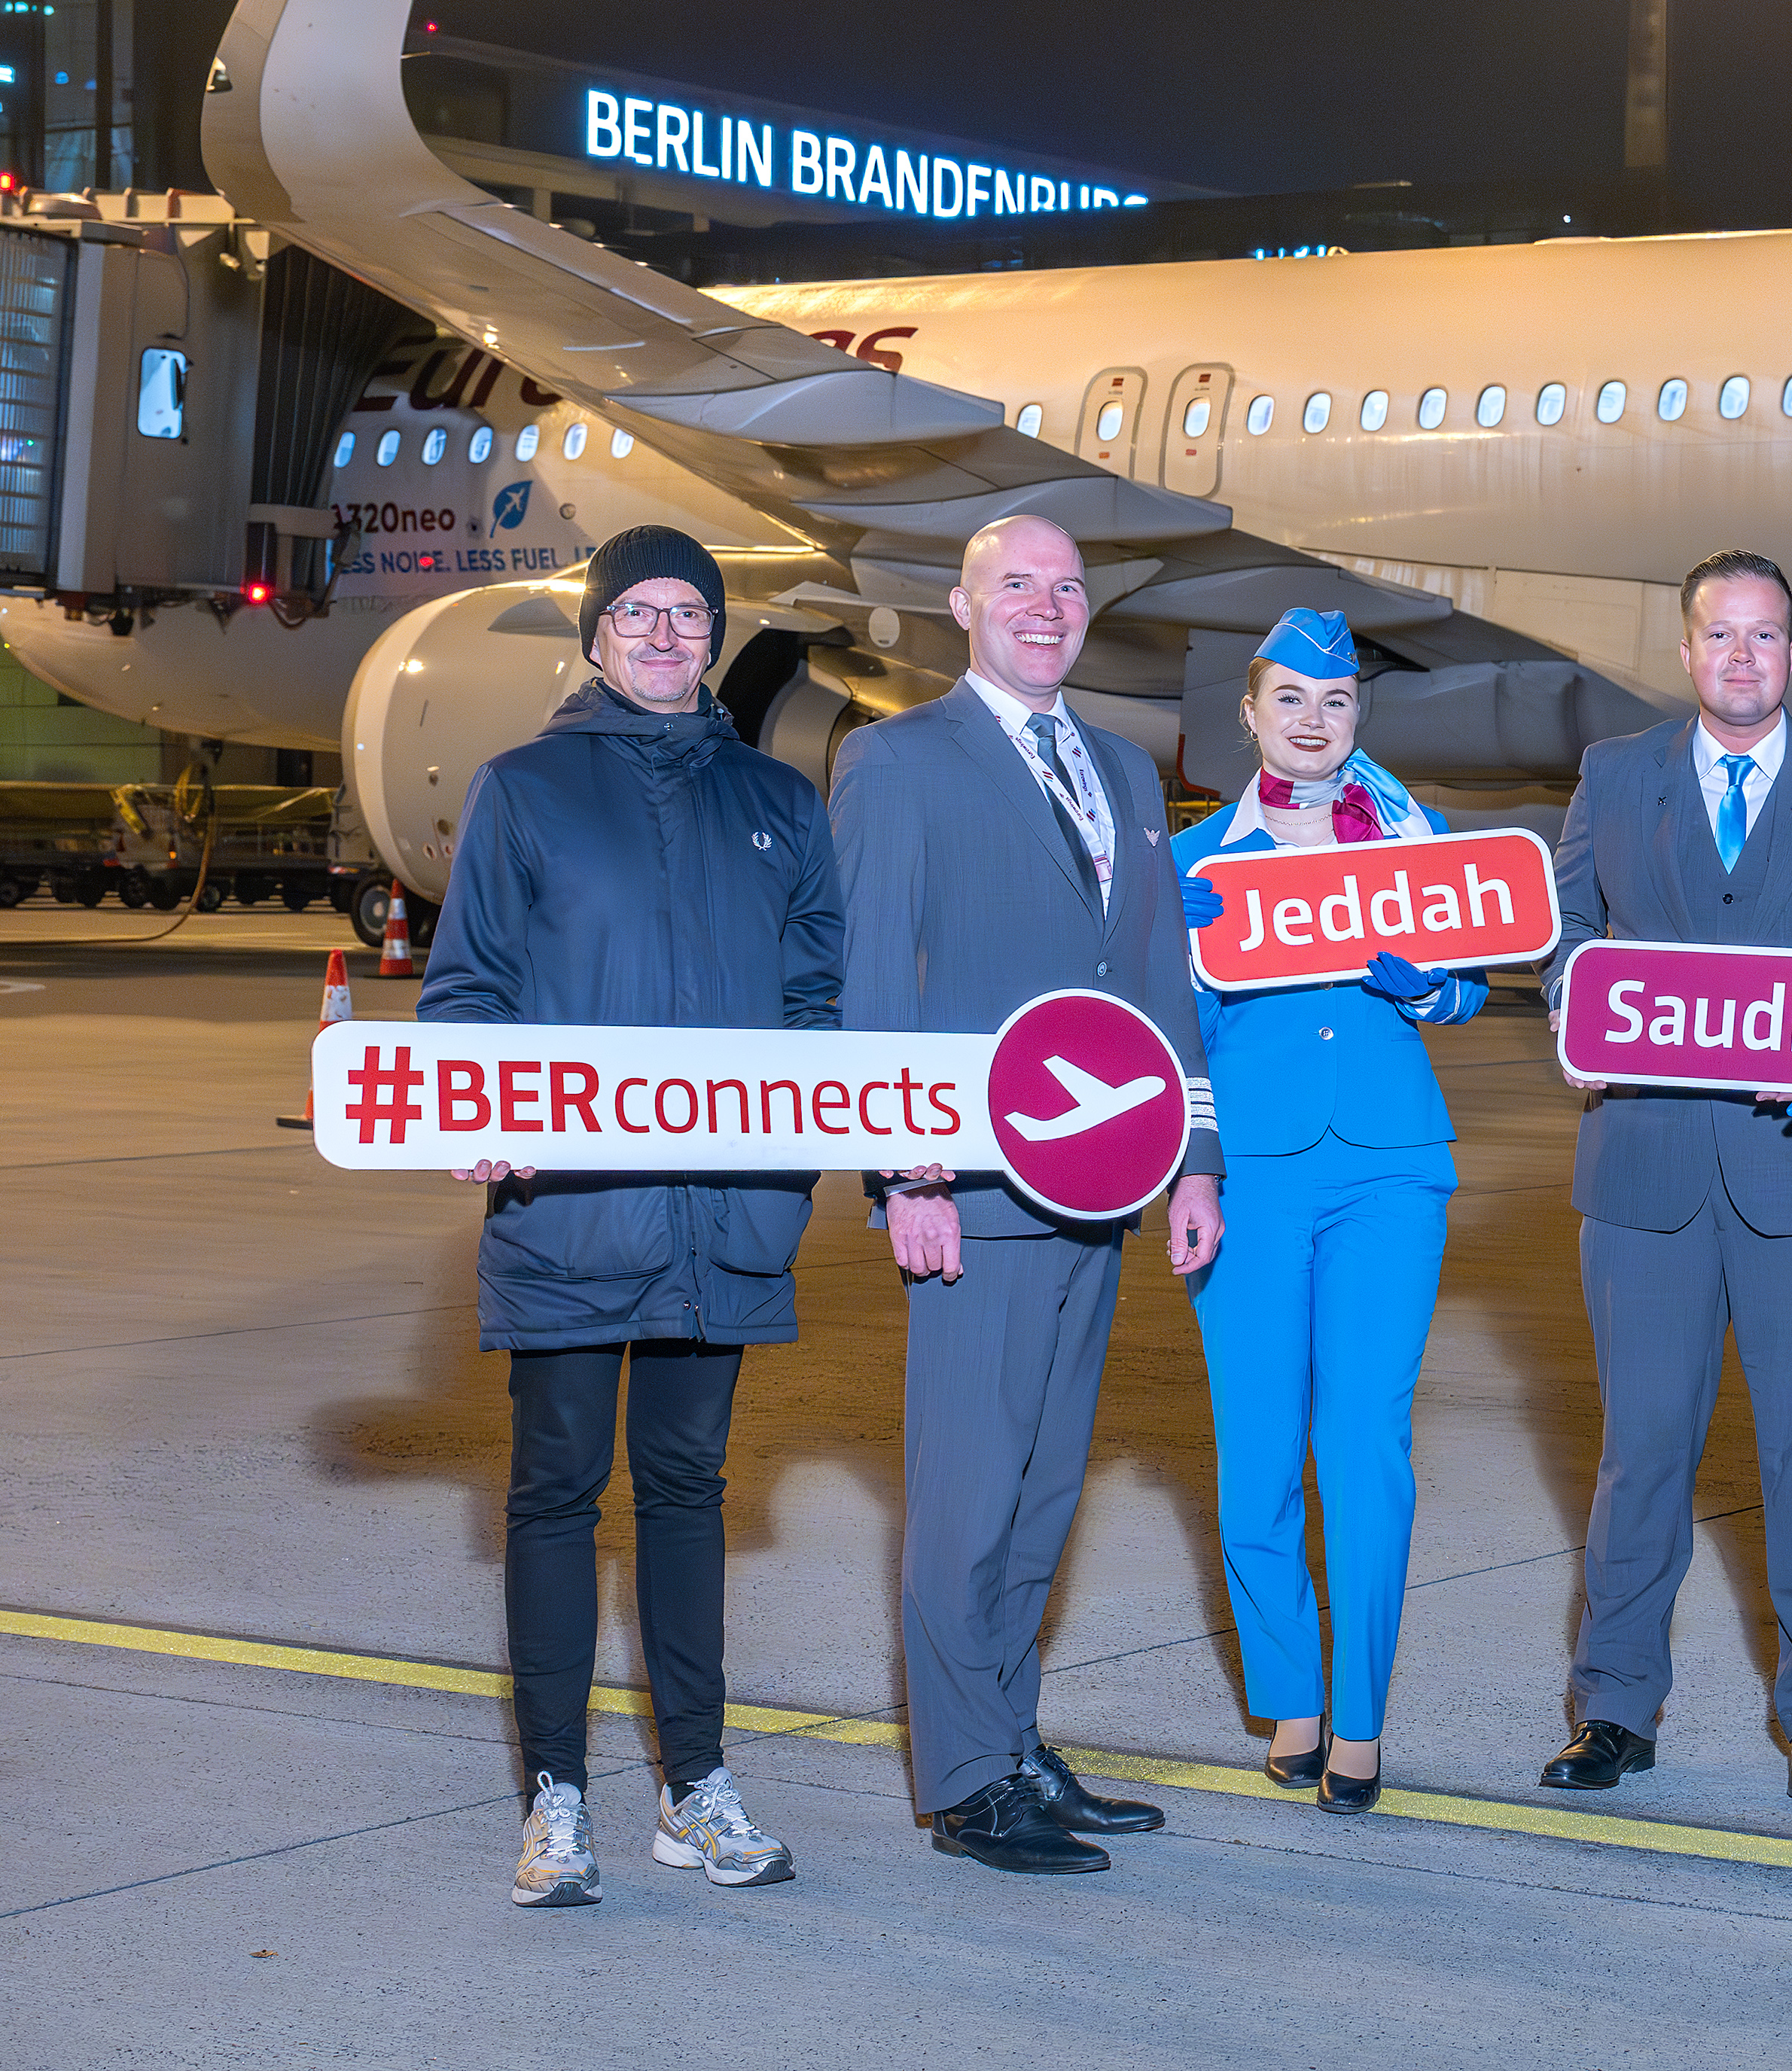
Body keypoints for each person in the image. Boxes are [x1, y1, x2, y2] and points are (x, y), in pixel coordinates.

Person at [419, 522, 838, 1910]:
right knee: (553, 1493)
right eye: (638, 614)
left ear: (715, 638)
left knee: (687, 1492)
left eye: (689, 616)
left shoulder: (780, 800)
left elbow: (816, 1012)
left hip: (720, 1215)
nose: (665, 636)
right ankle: (552, 1796)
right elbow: (468, 987)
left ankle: (694, 1789)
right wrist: (475, 1108)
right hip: (572, 1209)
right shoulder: (525, 790)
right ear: (595, 635)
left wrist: (803, 1151)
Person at [833, 512, 1225, 1876]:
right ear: (963, 605)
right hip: (973, 1186)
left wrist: (1194, 1156)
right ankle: (961, 1779)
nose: (1047, 608)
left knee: (1045, 1488)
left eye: (1067, 588)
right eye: (1019, 587)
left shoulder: (1120, 765)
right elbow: (874, 981)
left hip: (1100, 1182)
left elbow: (1160, 982)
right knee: (967, 1493)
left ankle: (1009, 1738)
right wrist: (906, 1171)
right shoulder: (895, 761)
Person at [1538, 550, 1792, 1801]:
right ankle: (1614, 1707)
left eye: (1766, 638)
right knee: (1641, 1451)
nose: (1743, 657)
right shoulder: (1612, 778)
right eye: (1722, 635)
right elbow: (1566, 940)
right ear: (1687, 649)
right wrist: (1577, 1017)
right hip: (1647, 1170)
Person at [1168, 607, 1483, 1806]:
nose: (1314, 720)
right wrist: (1191, 1168)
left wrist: (1434, 989)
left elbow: (1461, 1001)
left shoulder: (1413, 841)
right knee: (1256, 1458)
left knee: (1364, 1448)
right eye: (1289, 699)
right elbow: (1166, 1049)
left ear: (1361, 717)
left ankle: (1359, 1720)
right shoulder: (1195, 864)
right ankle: (1290, 1694)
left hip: (1391, 1170)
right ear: (1248, 716)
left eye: (1337, 701)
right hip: (1249, 1176)